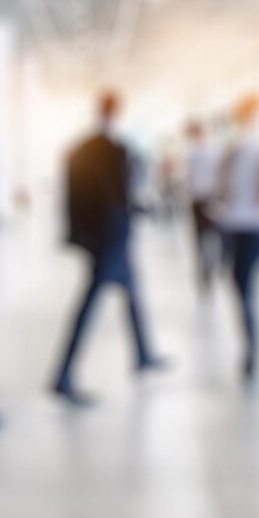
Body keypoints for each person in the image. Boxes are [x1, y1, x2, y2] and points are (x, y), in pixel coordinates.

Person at [51, 90, 165, 404]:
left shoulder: (80, 148)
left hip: (99, 238)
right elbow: (120, 195)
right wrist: (142, 209)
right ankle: (62, 374)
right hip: (111, 239)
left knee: (132, 293)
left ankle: (144, 354)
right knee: (89, 306)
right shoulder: (115, 150)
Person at [214, 92, 259, 384]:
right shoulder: (239, 145)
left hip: (249, 226)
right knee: (242, 289)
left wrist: (258, 200)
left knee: (244, 289)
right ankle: (251, 343)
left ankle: (251, 346)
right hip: (241, 225)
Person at [182, 117, 222, 296]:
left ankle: (206, 269)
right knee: (210, 237)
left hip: (200, 200)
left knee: (202, 238)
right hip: (207, 198)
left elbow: (188, 180)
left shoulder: (194, 153)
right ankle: (209, 268)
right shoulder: (210, 151)